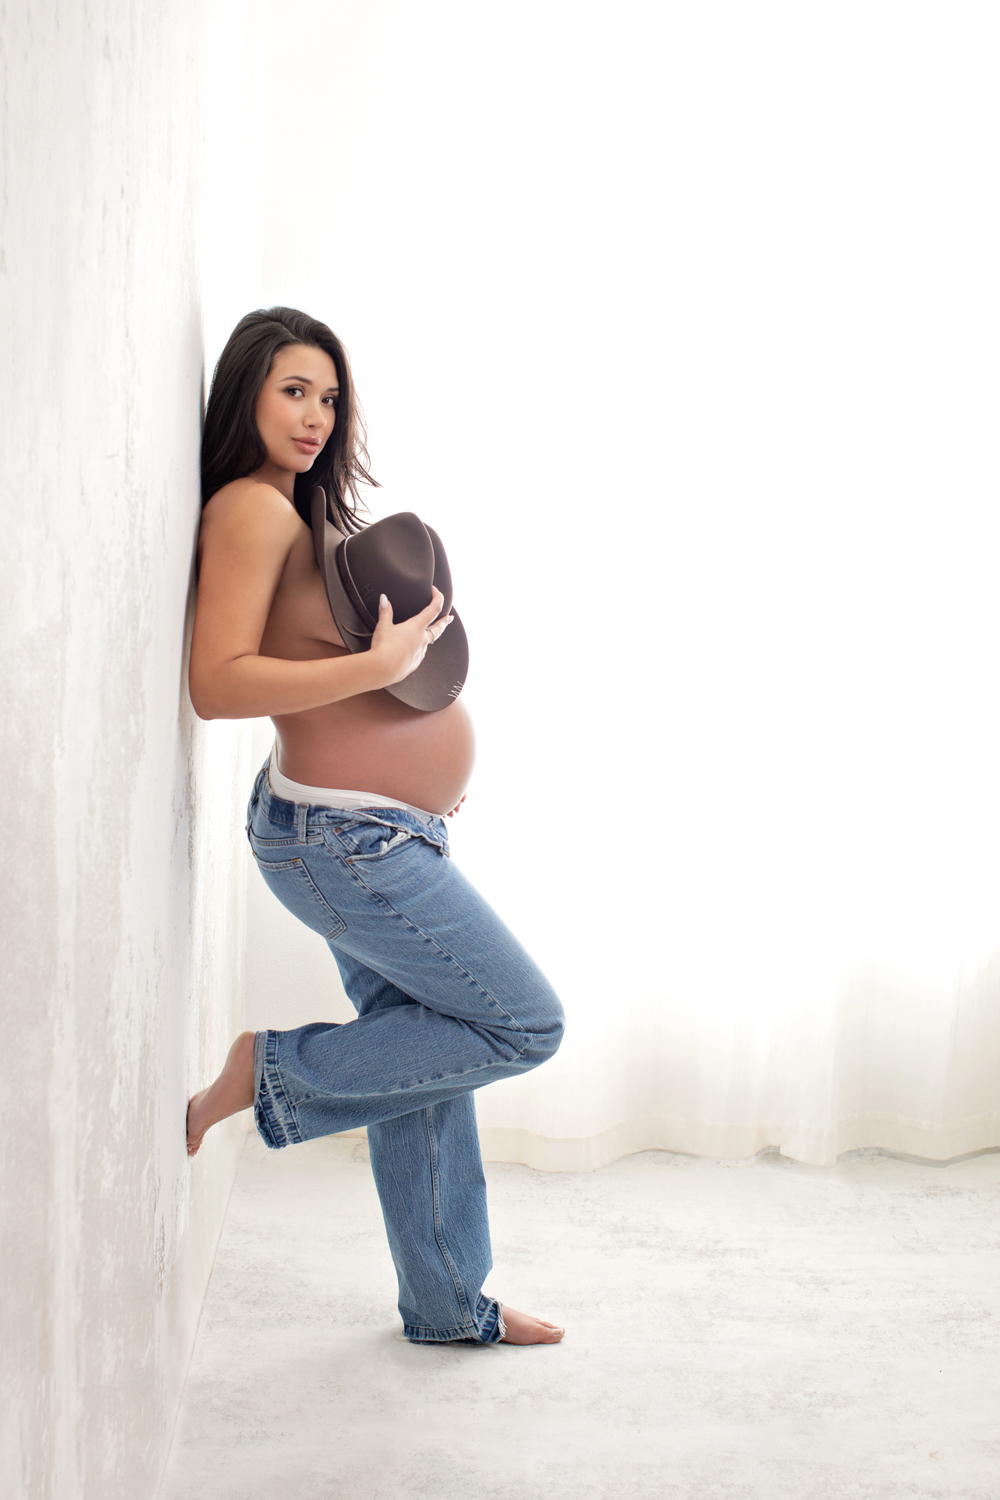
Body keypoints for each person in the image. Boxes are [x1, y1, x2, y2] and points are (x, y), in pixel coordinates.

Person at [186, 307, 565, 1346]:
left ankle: (448, 1307)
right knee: (521, 1025)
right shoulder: (251, 511)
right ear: (246, 397)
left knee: (429, 1062)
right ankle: (268, 1072)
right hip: (343, 845)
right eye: (292, 391)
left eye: (329, 396)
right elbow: (216, 684)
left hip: (374, 837)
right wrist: (380, 672)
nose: (315, 415)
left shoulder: (292, 508)